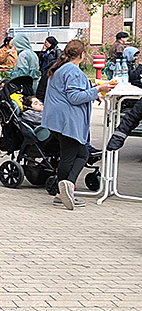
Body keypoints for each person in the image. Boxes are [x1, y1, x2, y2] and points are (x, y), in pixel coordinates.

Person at [40, 39, 114, 210]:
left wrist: (92, 92)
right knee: (70, 155)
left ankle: (67, 188)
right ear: (82, 55)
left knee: (82, 154)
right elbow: (74, 97)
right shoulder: (73, 71)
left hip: (56, 119)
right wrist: (98, 89)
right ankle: (63, 192)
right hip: (67, 121)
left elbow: (72, 92)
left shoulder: (60, 68)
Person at [36, 36, 60, 101]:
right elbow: (40, 60)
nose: (45, 44)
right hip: (43, 69)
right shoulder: (46, 51)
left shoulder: (57, 51)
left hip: (49, 70)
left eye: (46, 42)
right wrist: (42, 52)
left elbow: (58, 61)